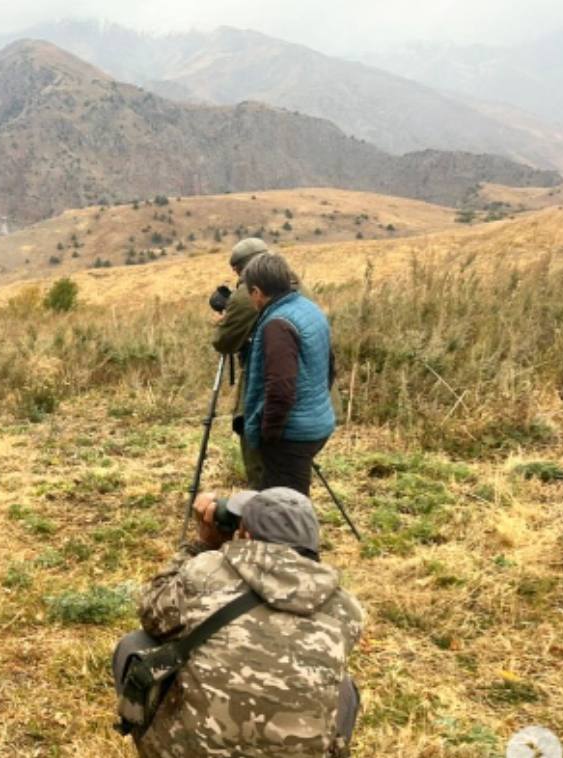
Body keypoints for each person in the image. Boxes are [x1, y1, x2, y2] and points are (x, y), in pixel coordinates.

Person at [119, 488, 364, 757]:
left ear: (245, 535)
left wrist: (201, 544)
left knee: (135, 643)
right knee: (343, 686)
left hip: (189, 752)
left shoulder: (206, 570)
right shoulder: (346, 608)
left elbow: (150, 612)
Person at [242, 252, 336, 496]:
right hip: (316, 422)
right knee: (291, 498)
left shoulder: (278, 324)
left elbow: (280, 388)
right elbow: (329, 366)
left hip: (292, 435)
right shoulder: (309, 308)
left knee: (284, 507)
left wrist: (269, 436)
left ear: (256, 291)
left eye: (250, 294)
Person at [211, 237, 269, 489]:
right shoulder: (295, 284)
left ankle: (266, 506)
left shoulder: (250, 293)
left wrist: (225, 322)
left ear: (238, 268)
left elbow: (224, 342)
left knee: (259, 460)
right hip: (308, 392)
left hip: (265, 385)